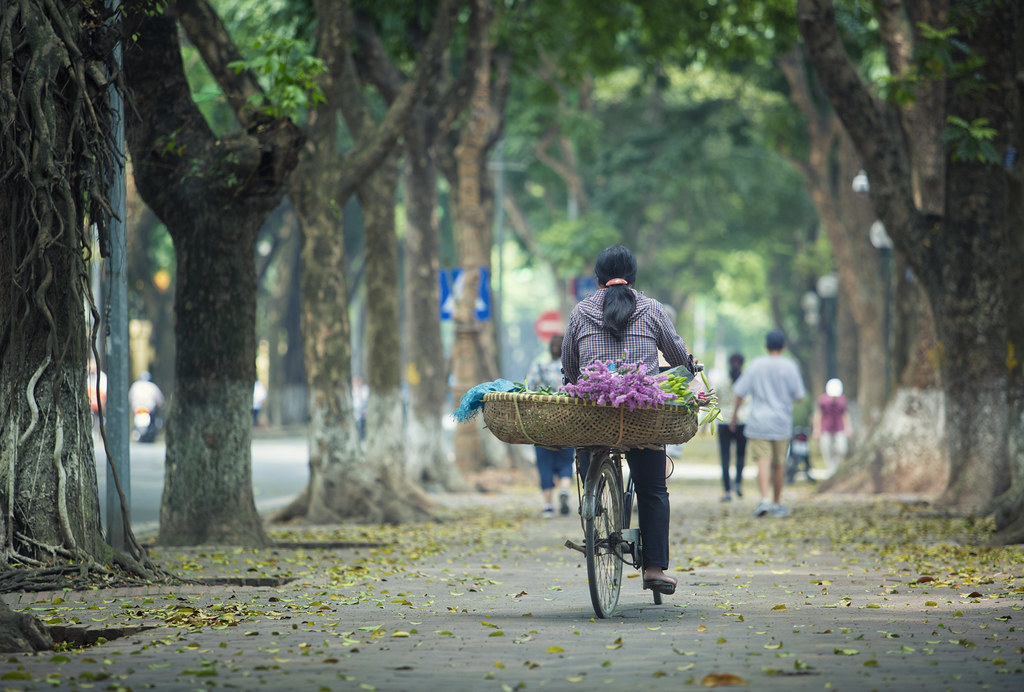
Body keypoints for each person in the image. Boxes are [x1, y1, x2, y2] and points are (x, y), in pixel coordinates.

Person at [561, 245, 697, 596]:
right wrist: (690, 364)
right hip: (643, 417)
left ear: (596, 279)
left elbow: (571, 368)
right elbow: (678, 354)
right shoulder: (652, 308)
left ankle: (591, 493)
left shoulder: (580, 311)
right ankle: (653, 569)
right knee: (653, 490)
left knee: (587, 441)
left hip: (595, 416)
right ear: (635, 277)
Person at [731, 329, 806, 518]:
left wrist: (734, 415)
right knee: (779, 464)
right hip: (781, 422)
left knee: (762, 461)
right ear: (784, 346)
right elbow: (799, 396)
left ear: (766, 346)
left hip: (758, 422)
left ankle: (763, 499)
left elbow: (740, 392)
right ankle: (777, 502)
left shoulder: (756, 365)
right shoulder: (790, 366)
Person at [526, 334, 575, 518]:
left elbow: (529, 388)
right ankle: (564, 489)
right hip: (567, 422)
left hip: (543, 422)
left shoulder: (541, 367)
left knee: (544, 462)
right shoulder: (571, 369)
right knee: (565, 460)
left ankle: (547, 505)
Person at [716, 353, 749, 502]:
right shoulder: (746, 381)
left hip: (724, 421)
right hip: (742, 421)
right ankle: (738, 485)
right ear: (742, 364)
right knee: (741, 455)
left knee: (725, 456)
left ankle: (727, 490)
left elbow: (715, 400)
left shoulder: (721, 380)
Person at [813, 377, 852, 476]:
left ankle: (837, 466)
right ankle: (830, 469)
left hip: (839, 427)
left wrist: (848, 428)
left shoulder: (842, 400)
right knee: (826, 448)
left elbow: (845, 414)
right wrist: (816, 429)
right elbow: (818, 414)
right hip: (826, 428)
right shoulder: (822, 400)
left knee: (842, 448)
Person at [128, 371, 165, 441]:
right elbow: (160, 399)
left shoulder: (135, 385)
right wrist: (161, 405)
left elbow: (130, 397)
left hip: (137, 408)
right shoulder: (152, 386)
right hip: (149, 409)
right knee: (155, 419)